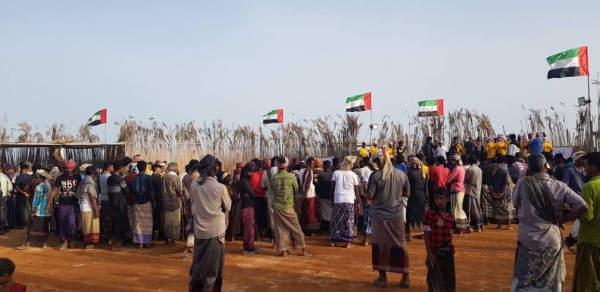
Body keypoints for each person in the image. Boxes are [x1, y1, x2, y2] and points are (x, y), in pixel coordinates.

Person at [511, 154, 587, 292]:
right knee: (552, 279)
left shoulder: (523, 183)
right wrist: (565, 218)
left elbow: (515, 203)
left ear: (529, 168)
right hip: (551, 238)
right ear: (546, 166)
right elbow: (583, 206)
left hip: (527, 239)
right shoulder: (559, 186)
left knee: (525, 279)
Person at [367, 149, 411, 288]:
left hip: (379, 217)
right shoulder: (402, 174)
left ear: (380, 161)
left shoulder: (375, 176)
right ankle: (405, 278)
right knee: (400, 245)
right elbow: (407, 193)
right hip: (396, 215)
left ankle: (383, 278)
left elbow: (370, 196)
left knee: (380, 246)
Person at [188, 155, 231, 292]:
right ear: (215, 170)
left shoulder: (195, 185)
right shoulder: (220, 187)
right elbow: (228, 206)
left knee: (198, 262)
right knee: (214, 266)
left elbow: (193, 203)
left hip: (199, 230)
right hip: (216, 231)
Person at [270, 156, 312, 257]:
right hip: (288, 206)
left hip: (277, 206)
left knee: (280, 229)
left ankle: (283, 251)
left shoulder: (274, 177)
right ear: (286, 165)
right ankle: (303, 250)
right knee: (296, 228)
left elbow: (272, 189)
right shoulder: (291, 176)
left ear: (277, 165)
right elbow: (296, 188)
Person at [572, 152, 600, 291]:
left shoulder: (590, 187)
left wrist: (574, 213)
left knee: (587, 280)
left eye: (586, 165)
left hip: (590, 240)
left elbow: (587, 216)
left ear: (593, 167)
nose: (584, 169)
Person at [423, 187, 456, 292]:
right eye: (436, 198)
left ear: (447, 199)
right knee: (435, 282)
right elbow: (426, 234)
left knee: (448, 281)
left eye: (441, 198)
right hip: (435, 252)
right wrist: (429, 253)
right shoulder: (430, 214)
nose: (439, 201)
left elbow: (450, 235)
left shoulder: (450, 216)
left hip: (447, 252)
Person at [47, 160, 82, 250]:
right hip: (63, 204)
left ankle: (71, 239)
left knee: (71, 223)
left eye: (70, 168)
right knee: (62, 222)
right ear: (64, 168)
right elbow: (54, 190)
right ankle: (64, 241)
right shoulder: (60, 178)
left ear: (74, 168)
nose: (69, 170)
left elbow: (82, 188)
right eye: (67, 168)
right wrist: (49, 202)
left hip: (74, 203)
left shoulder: (78, 177)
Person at [16, 170, 52, 250]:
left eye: (36, 177)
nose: (35, 179)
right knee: (44, 227)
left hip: (40, 210)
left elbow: (36, 200)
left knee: (33, 227)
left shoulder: (39, 187)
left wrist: (33, 211)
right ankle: (44, 244)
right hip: (48, 211)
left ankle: (27, 244)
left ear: (41, 177)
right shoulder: (49, 185)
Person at [330, 156, 360, 248]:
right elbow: (356, 190)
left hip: (338, 199)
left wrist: (332, 199)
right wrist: (358, 202)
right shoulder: (353, 175)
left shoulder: (336, 173)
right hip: (349, 200)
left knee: (336, 219)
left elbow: (332, 187)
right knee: (348, 220)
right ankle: (347, 242)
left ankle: (334, 240)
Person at [562, 151, 586, 251]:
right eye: (582, 158)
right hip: (575, 199)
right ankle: (571, 240)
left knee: (581, 219)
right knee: (581, 218)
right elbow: (565, 185)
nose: (584, 160)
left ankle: (572, 240)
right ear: (576, 160)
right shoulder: (570, 171)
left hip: (584, 197)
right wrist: (564, 199)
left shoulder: (584, 171)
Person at [129, 161, 156, 249]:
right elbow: (151, 191)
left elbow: (131, 192)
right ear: (145, 168)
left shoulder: (133, 179)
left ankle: (139, 242)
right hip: (147, 202)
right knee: (148, 223)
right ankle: (147, 242)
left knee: (138, 223)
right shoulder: (148, 178)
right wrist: (154, 201)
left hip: (137, 202)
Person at [238, 162, 260, 255]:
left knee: (248, 228)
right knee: (249, 228)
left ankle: (247, 247)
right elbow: (254, 194)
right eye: (250, 172)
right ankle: (249, 249)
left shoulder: (244, 181)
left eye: (252, 172)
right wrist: (252, 193)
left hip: (245, 206)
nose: (251, 174)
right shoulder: (245, 182)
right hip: (247, 207)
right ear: (246, 171)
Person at [107, 161, 129, 251]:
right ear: (120, 168)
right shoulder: (120, 179)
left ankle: (114, 239)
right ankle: (116, 242)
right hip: (120, 202)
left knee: (115, 220)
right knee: (120, 222)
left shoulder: (109, 178)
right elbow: (126, 190)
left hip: (112, 202)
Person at [78, 166, 100, 249]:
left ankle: (87, 242)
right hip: (89, 207)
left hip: (84, 206)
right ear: (94, 173)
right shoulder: (89, 183)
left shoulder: (83, 181)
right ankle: (89, 243)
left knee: (86, 225)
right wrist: (96, 210)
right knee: (90, 226)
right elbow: (92, 197)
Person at [406, 157, 427, 241]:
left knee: (411, 213)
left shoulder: (411, 174)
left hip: (413, 195)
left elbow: (407, 186)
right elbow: (426, 187)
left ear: (412, 164)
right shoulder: (423, 173)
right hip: (421, 196)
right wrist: (426, 197)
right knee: (420, 213)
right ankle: (420, 232)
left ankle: (410, 233)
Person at [162, 163, 184, 246]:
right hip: (175, 203)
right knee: (175, 222)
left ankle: (166, 238)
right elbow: (179, 190)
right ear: (175, 169)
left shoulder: (164, 177)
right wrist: (182, 197)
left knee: (167, 221)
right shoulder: (176, 178)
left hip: (166, 202)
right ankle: (172, 240)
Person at [446, 154, 469, 233]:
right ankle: (462, 226)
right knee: (459, 208)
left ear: (456, 161)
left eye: (453, 160)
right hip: (461, 189)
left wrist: (452, 181)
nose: (452, 162)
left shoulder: (456, 168)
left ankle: (458, 227)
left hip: (456, 190)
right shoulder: (462, 168)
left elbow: (448, 179)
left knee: (455, 208)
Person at [489, 155, 513, 230]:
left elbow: (489, 182)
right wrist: (502, 192)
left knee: (496, 208)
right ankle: (508, 225)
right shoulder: (504, 168)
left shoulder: (491, 168)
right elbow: (505, 182)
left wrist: (492, 191)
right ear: (503, 162)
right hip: (504, 192)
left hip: (494, 191)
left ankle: (499, 225)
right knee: (507, 208)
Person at [298, 157, 319, 236]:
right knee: (310, 212)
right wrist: (304, 193)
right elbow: (308, 182)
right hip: (309, 193)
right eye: (312, 163)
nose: (313, 165)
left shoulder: (301, 170)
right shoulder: (309, 171)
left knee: (304, 211)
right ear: (308, 163)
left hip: (304, 193)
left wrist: (302, 192)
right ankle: (310, 231)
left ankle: (304, 228)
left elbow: (299, 182)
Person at [464, 154, 484, 232]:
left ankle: (475, 225)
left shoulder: (470, 169)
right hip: (478, 190)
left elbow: (466, 179)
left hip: (471, 190)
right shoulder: (479, 169)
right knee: (478, 207)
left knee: (472, 209)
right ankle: (480, 224)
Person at [315, 160, 334, 231]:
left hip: (324, 196)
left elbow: (318, 186)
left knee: (324, 213)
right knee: (332, 212)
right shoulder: (334, 174)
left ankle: (325, 228)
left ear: (325, 167)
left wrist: (318, 194)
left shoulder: (322, 175)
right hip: (332, 197)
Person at [98, 161, 114, 243]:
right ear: (108, 168)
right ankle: (108, 235)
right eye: (112, 166)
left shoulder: (100, 176)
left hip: (102, 199)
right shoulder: (109, 177)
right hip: (108, 199)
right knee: (109, 219)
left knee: (103, 218)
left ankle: (102, 235)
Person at [13, 163, 33, 229]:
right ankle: (28, 223)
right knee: (28, 209)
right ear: (27, 170)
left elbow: (16, 187)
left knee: (20, 209)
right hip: (29, 195)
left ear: (21, 169)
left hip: (20, 195)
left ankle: (22, 224)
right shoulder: (30, 177)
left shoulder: (18, 177)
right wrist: (28, 193)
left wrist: (23, 192)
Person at [151, 164, 164, 240]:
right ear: (156, 169)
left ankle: (153, 233)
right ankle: (158, 235)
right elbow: (161, 190)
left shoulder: (149, 178)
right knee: (159, 217)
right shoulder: (159, 179)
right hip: (159, 200)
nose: (161, 170)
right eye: (160, 169)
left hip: (151, 200)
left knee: (153, 216)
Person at [0, 163, 13, 235]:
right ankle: (5, 226)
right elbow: (10, 187)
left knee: (2, 212)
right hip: (4, 196)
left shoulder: (2, 177)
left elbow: (3, 188)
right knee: (4, 211)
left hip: (2, 196)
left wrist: (4, 194)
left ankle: (2, 228)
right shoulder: (5, 176)